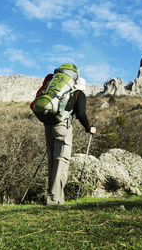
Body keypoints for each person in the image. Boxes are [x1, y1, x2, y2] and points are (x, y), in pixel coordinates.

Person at [35, 76, 97, 205]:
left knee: (52, 160)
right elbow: (80, 114)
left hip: (49, 125)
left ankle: (55, 198)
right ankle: (54, 199)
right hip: (62, 127)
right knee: (61, 161)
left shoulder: (60, 92)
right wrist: (88, 128)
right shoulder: (79, 93)